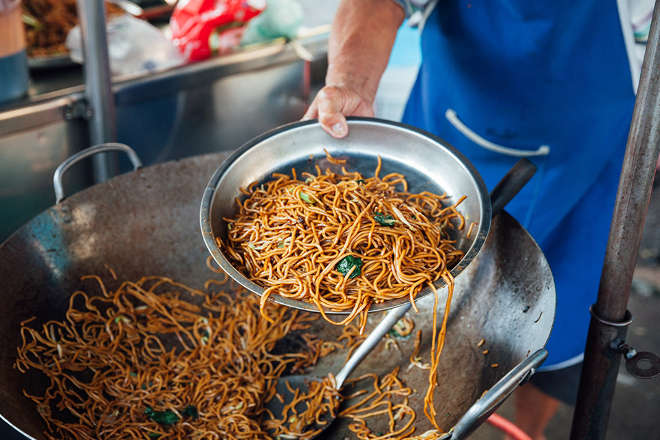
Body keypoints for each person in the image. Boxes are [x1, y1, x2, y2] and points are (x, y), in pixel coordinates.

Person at [303, 0, 652, 438]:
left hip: (580, 174)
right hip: (443, 158)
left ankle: (529, 430)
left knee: (559, 329)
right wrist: (349, 83)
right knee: (416, 315)